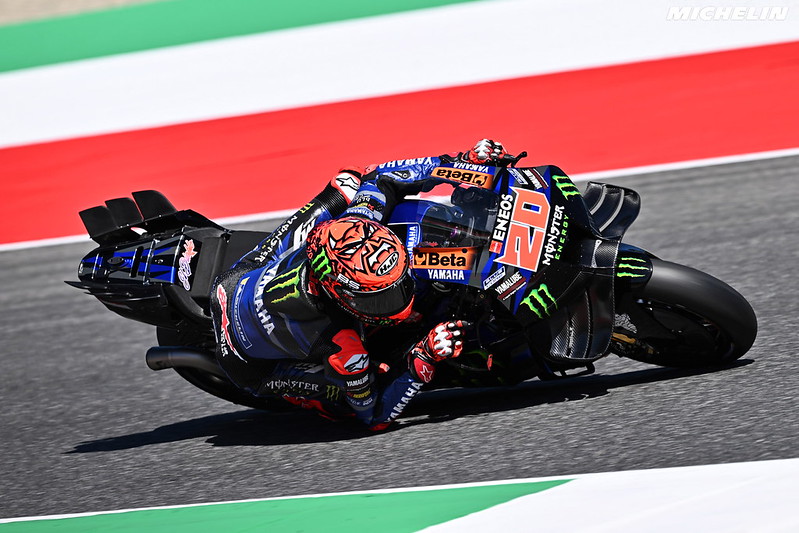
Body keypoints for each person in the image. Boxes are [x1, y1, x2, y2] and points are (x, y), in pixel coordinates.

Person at [209, 139, 508, 430]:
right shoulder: (345, 348)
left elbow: (381, 176)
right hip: (245, 359)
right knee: (347, 400)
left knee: (349, 182)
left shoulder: (360, 220)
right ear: (341, 294)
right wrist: (424, 356)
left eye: (397, 287)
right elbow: (373, 415)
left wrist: (462, 163)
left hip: (239, 277)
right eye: (380, 299)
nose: (400, 302)